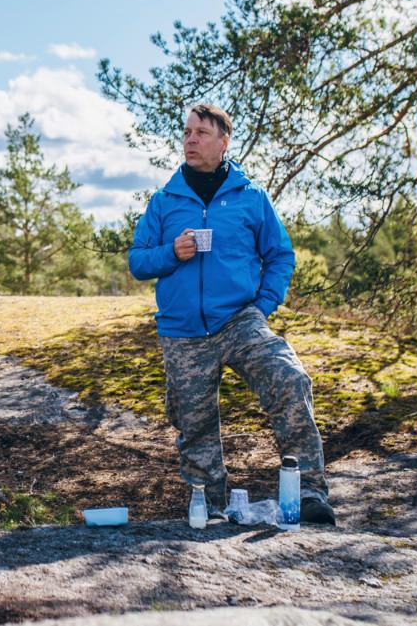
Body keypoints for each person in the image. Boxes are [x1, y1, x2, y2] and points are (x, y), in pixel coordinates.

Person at [128, 103, 335, 526]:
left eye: (201, 133)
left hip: (240, 320)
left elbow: (280, 255)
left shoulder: (251, 197)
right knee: (194, 424)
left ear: (224, 141)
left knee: (290, 379)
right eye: (186, 132)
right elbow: (137, 262)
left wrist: (261, 307)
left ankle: (310, 492)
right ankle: (213, 509)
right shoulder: (165, 201)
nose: (190, 139)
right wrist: (172, 252)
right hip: (182, 331)